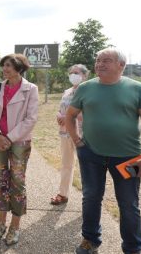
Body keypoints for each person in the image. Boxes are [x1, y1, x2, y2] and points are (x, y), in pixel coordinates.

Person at [65, 48, 141, 254]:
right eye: (98, 60)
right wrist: (77, 141)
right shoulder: (84, 88)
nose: (99, 64)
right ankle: (90, 240)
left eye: (106, 60)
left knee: (129, 204)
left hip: (129, 158)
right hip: (91, 154)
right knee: (90, 198)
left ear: (121, 65)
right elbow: (70, 115)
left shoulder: (138, 89)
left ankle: (133, 248)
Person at [0, 53, 39, 245]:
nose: (5, 69)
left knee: (17, 181)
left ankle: (15, 226)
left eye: (9, 65)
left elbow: (31, 119)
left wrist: (9, 137)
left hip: (19, 142)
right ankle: (1, 223)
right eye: (4, 65)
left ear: (19, 68)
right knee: (1, 180)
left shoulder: (30, 89)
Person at [51, 64, 89, 205]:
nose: (74, 75)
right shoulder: (67, 91)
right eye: (72, 73)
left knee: (87, 167)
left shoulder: (88, 91)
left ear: (85, 76)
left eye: (77, 73)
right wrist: (59, 116)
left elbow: (88, 112)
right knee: (66, 164)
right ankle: (63, 194)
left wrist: (66, 117)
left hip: (83, 134)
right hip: (65, 133)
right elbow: (61, 108)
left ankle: (90, 198)